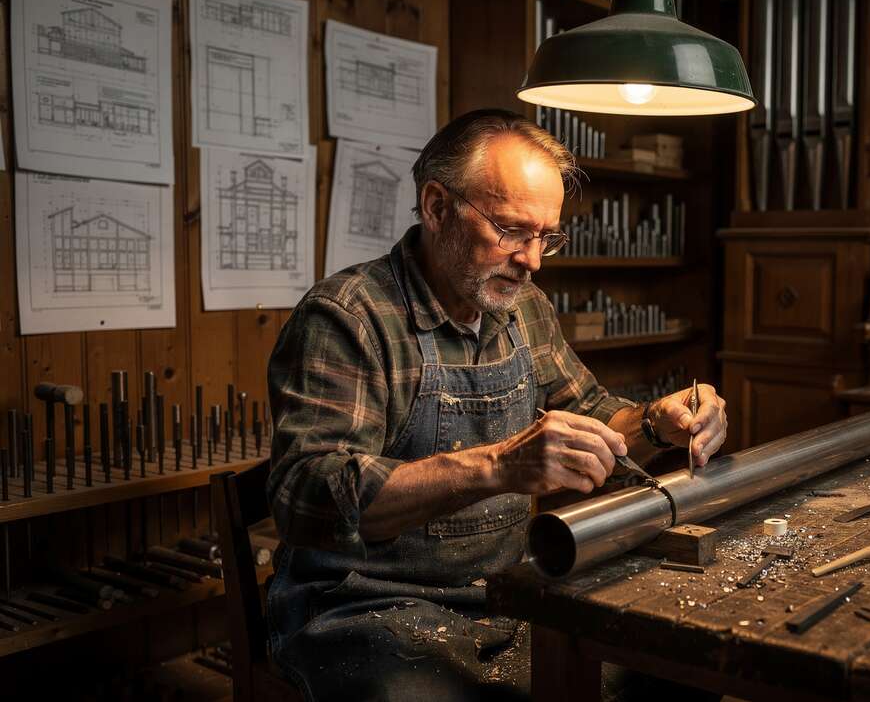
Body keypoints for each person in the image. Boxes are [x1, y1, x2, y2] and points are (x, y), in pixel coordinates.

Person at [264, 108, 728, 701]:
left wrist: (659, 423)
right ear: (436, 207)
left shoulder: (522, 307)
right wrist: (499, 466)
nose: (532, 260)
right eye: (511, 230)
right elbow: (307, 497)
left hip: (505, 590)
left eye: (546, 237)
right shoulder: (348, 318)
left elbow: (595, 413)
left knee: (675, 668)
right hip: (361, 604)